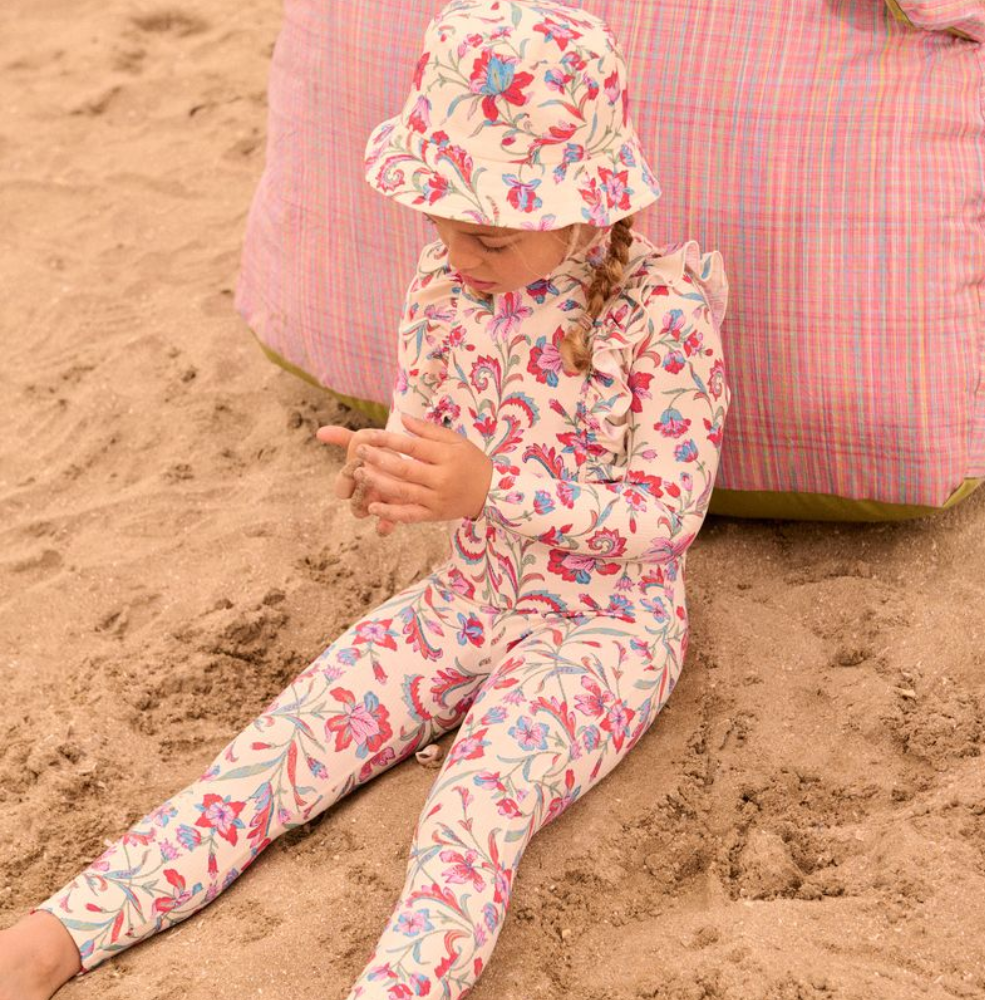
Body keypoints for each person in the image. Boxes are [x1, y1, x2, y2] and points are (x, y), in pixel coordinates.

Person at [0, 1, 731, 997]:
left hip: (604, 630)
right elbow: (420, 427)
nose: (461, 256)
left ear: (581, 205)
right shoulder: (444, 282)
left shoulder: (663, 312)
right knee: (280, 745)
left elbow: (667, 517)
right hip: (464, 600)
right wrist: (387, 472)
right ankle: (53, 936)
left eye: (488, 236)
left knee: (472, 812)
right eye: (443, 221)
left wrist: (489, 486)